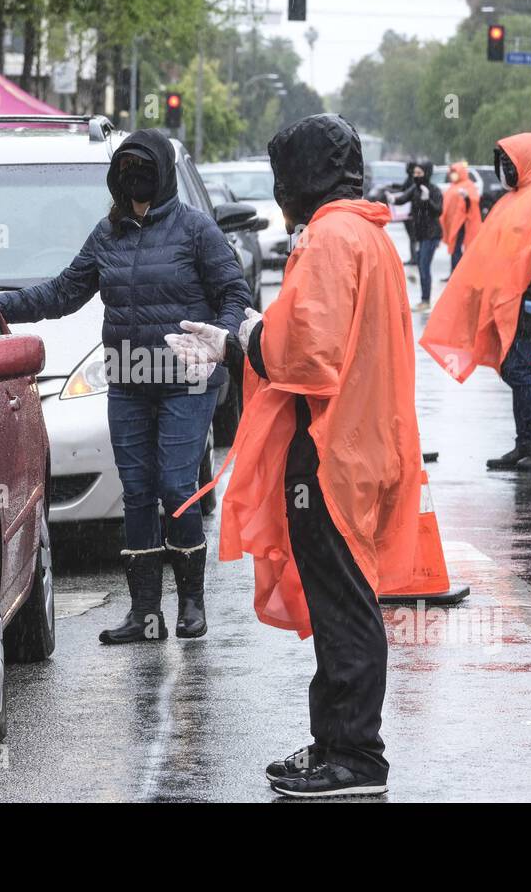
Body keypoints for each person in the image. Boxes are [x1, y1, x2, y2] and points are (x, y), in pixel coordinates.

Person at [166, 114, 422, 797]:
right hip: (358, 443)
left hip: (333, 449)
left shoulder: (333, 238)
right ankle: (335, 743)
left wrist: (242, 339)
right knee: (344, 595)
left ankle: (355, 757)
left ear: (301, 174)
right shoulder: (365, 233)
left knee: (343, 603)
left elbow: (308, 353)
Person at [0, 129, 251, 644]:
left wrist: (221, 341)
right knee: (136, 493)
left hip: (186, 379)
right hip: (130, 379)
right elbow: (63, 293)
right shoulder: (106, 235)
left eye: (143, 168)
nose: (135, 178)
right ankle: (145, 615)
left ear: (162, 174)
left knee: (177, 488)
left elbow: (233, 292)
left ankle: (192, 605)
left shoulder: (196, 230)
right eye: (125, 168)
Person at [419, 132, 531, 471]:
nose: (503, 169)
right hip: (510, 302)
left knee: (516, 368)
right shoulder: (512, 200)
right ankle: (527, 442)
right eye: (501, 162)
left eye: (508, 162)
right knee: (512, 367)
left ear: (525, 162)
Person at [388, 159, 442, 311]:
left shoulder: (434, 190)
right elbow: (403, 197)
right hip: (421, 233)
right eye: (415, 173)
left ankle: (425, 300)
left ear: (427, 173)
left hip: (431, 234)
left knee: (424, 266)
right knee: (420, 265)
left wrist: (428, 200)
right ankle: (424, 299)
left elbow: (438, 210)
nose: (416, 176)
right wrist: (393, 199)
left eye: (419, 173)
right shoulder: (415, 188)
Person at [440, 160, 482, 276]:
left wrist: (467, 197)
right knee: (454, 248)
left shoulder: (468, 185)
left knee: (457, 248)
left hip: (463, 224)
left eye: (455, 172)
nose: (453, 175)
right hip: (453, 223)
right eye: (451, 172)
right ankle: (454, 273)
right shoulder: (453, 186)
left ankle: (457, 274)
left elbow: (474, 201)